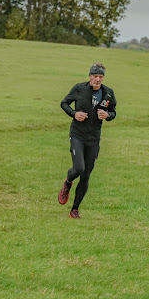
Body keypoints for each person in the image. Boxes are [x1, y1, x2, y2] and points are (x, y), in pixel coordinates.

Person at [58, 63, 117, 219]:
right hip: (77, 135)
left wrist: (107, 115)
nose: (97, 79)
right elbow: (64, 103)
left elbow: (113, 112)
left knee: (86, 175)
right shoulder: (79, 88)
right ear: (90, 76)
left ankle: (74, 210)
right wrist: (74, 113)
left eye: (100, 77)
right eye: (95, 76)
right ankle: (68, 182)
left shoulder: (108, 94)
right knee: (78, 168)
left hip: (94, 138)